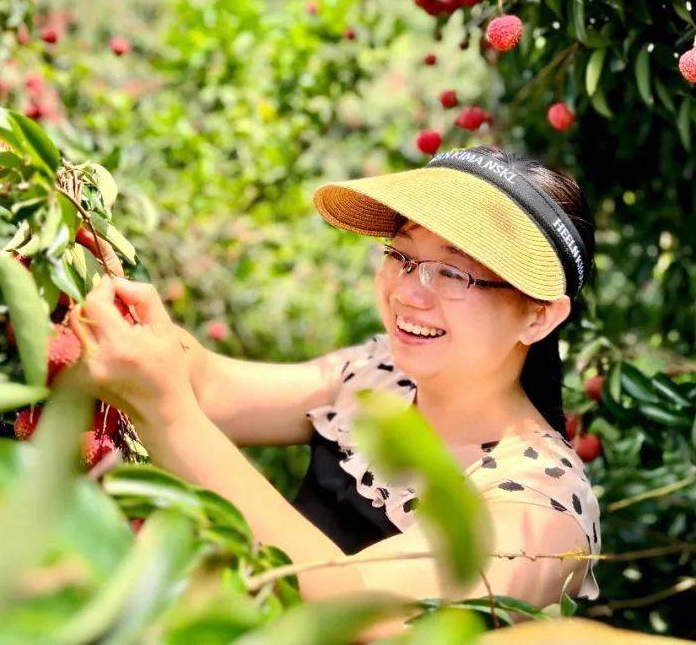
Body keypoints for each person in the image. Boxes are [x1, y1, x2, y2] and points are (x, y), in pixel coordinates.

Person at [66, 144, 600, 637]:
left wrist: (169, 415)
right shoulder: (380, 375)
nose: (411, 292)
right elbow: (210, 386)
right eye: (402, 255)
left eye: (454, 273)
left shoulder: (540, 512)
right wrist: (83, 277)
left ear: (539, 316)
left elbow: (350, 607)